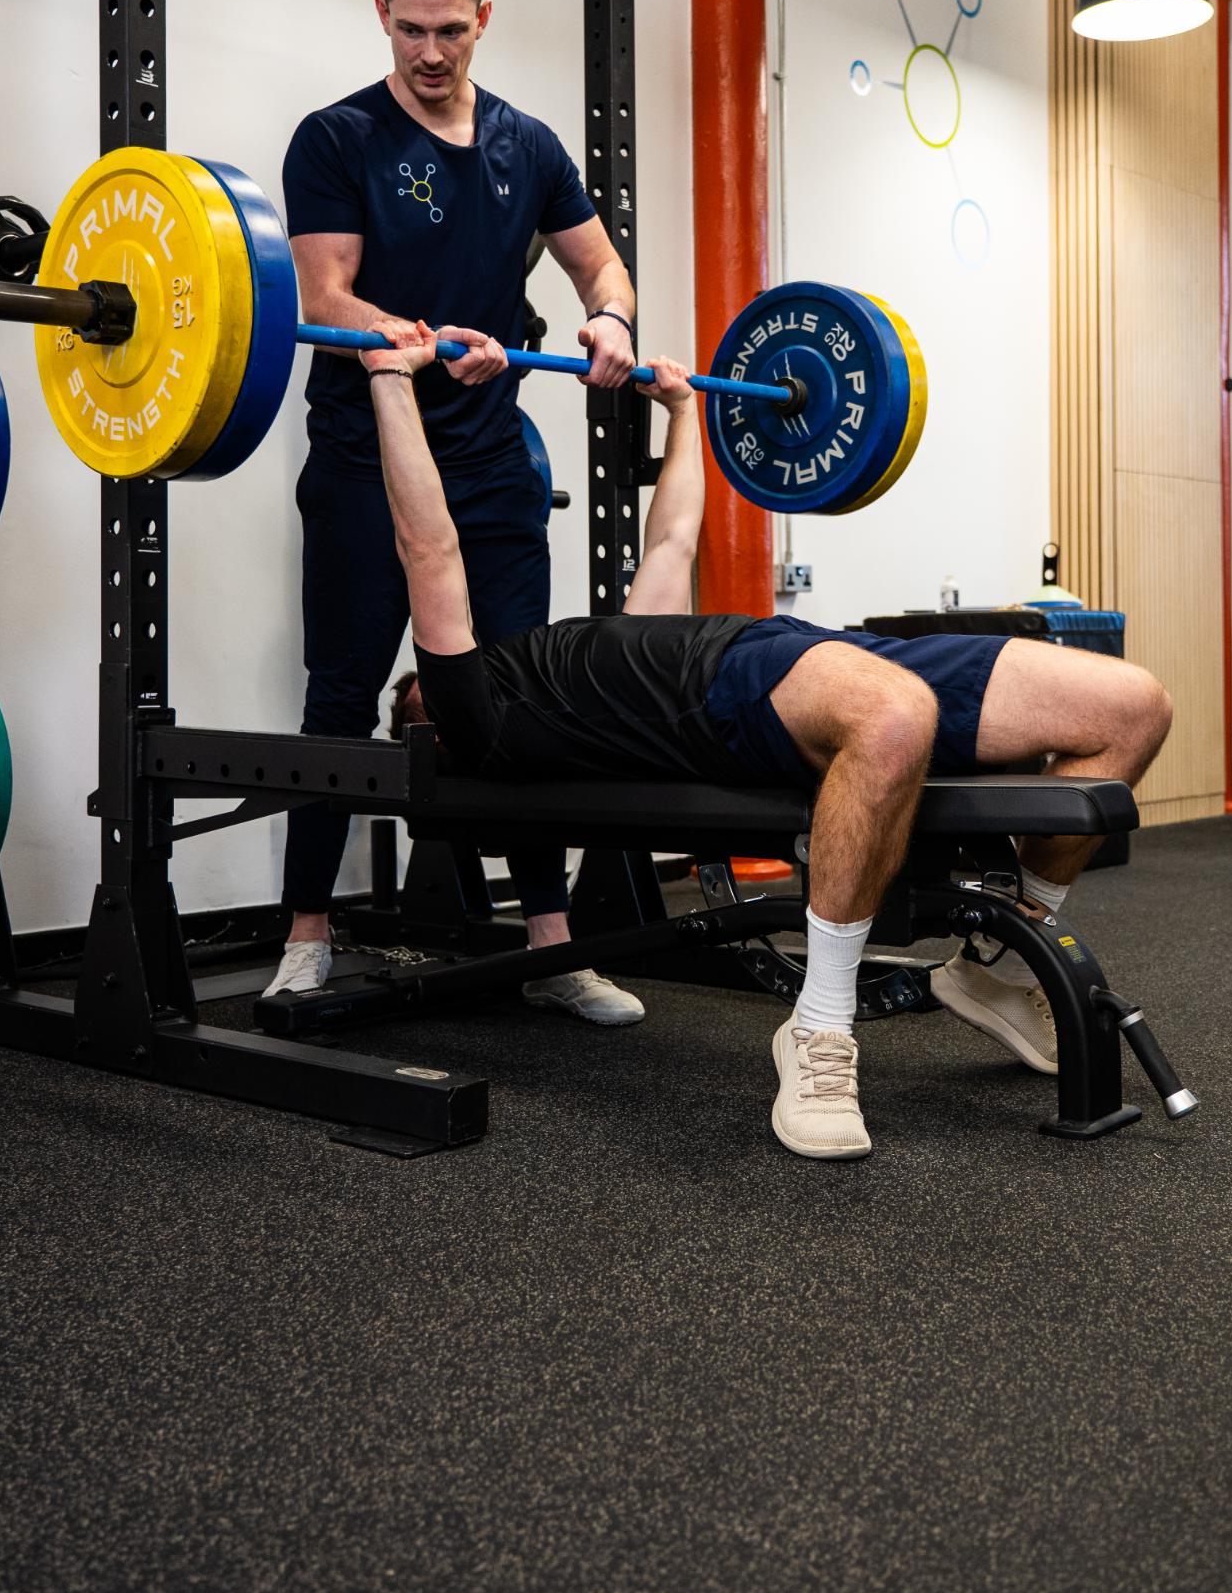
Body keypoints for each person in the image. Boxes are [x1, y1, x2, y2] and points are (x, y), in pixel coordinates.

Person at [365, 321, 1174, 1161]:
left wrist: (682, 410)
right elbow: (430, 547)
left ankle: (1000, 960)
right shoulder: (475, 720)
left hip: (798, 651)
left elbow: (673, 542)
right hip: (729, 699)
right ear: (424, 723)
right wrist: (390, 380)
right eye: (415, 687)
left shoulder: (580, 656)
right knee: (895, 716)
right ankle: (820, 1029)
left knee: (1132, 707)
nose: (426, 672)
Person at [267, 0, 644, 1024]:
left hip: (486, 463)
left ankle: (550, 947)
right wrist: (417, 333)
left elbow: (599, 261)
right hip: (361, 456)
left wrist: (611, 318)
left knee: (519, 692)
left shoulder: (527, 147)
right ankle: (305, 933)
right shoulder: (335, 136)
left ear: (482, 21)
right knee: (340, 694)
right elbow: (324, 294)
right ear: (380, 15)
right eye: (411, 28)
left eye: (451, 32)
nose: (431, 52)